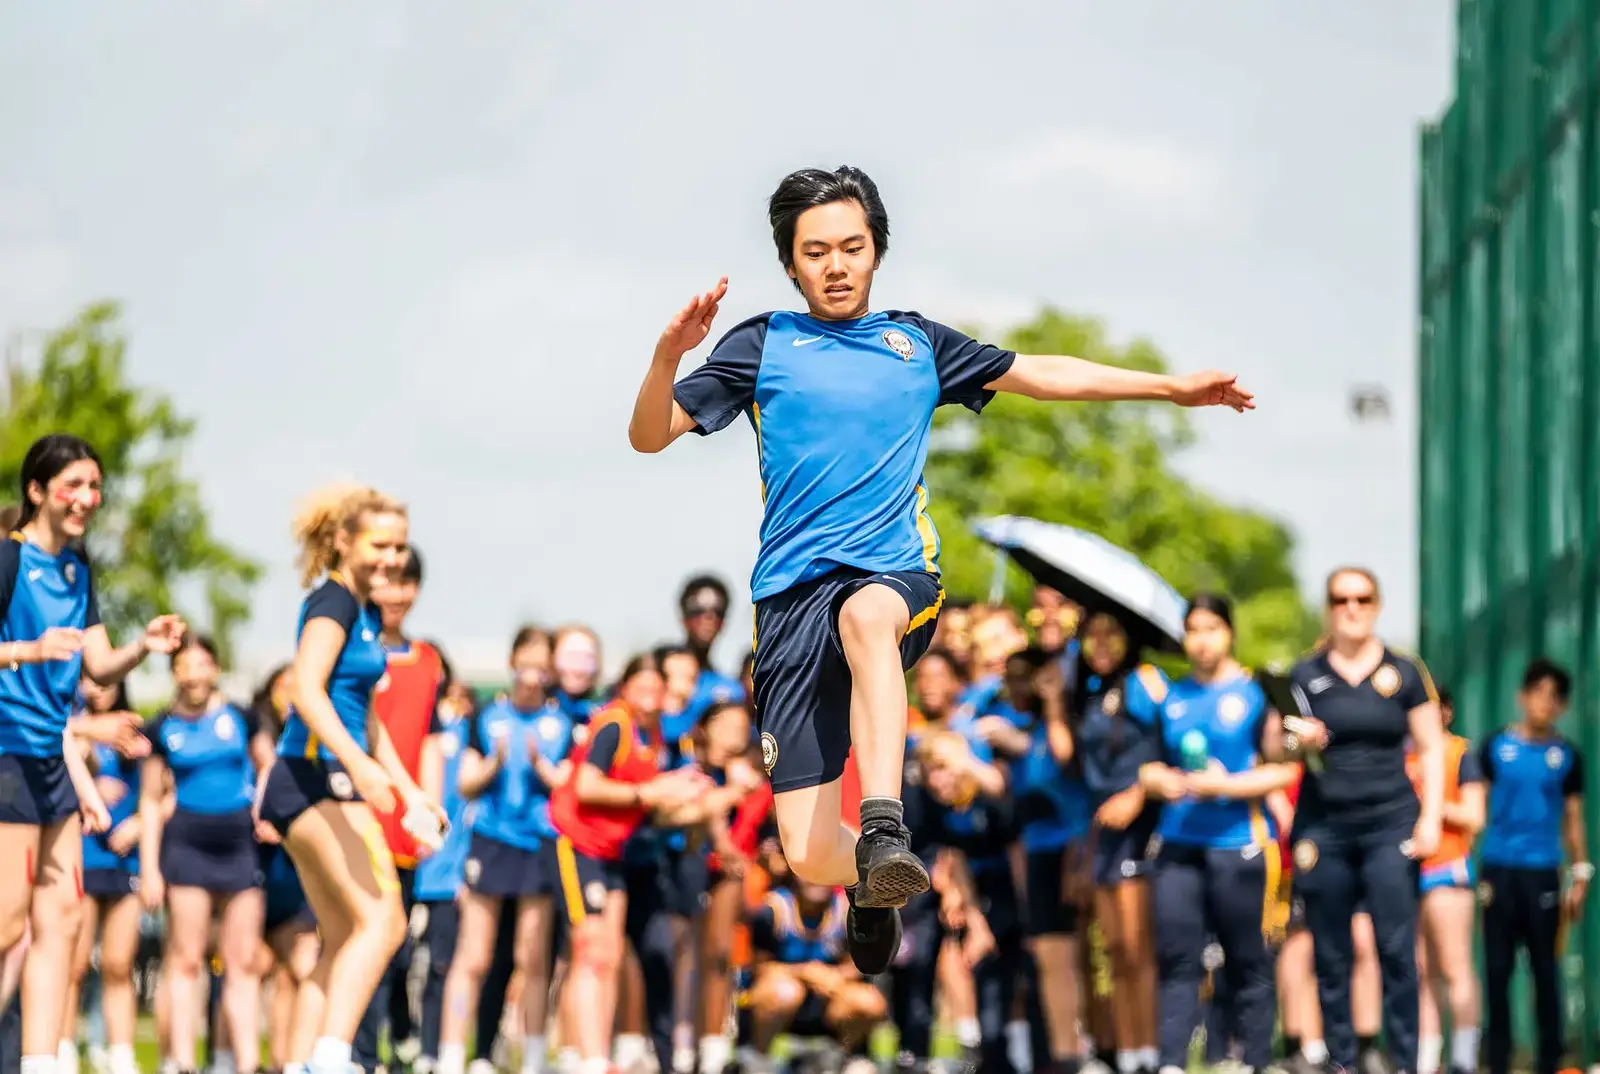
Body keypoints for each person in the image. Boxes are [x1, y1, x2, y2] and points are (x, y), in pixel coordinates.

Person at [627, 164, 1254, 973]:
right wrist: (664, 357)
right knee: (811, 853)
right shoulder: (762, 344)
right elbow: (649, 434)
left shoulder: (915, 343)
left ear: (877, 251)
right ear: (789, 262)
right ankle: (871, 878)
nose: (836, 265)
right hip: (787, 606)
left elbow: (1041, 374)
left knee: (864, 616)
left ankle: (887, 822)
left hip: (896, 578)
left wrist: (1170, 388)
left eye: (852, 247)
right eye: (816, 251)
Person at [0, 433, 186, 1074]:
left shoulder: (79, 568)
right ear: (36, 490)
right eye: (74, 484)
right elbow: (35, 651)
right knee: (5, 925)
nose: (88, 497)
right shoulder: (7, 559)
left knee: (62, 921)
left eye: (94, 485)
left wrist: (142, 646)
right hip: (7, 755)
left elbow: (97, 663)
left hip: (52, 760)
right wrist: (27, 651)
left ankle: (41, 1062)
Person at [255, 484, 444, 1074]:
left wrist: (410, 790)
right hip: (312, 778)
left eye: (400, 547)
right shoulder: (332, 602)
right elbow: (305, 691)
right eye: (380, 545)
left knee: (340, 940)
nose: (392, 558)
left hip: (323, 778)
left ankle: (301, 1062)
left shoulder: (361, 610)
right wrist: (357, 767)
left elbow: (369, 720)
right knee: (384, 922)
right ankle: (332, 1059)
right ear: (343, 542)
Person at [1286, 567, 1444, 1074]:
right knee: (1329, 954)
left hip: (1390, 824)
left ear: (1376, 604)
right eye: (1340, 599)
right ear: (1328, 608)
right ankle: (1342, 1062)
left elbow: (1431, 748)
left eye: (1361, 598)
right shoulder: (1304, 676)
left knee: (1396, 950)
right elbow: (1273, 745)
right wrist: (1297, 740)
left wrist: (1432, 818)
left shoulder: (1405, 672)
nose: (1351, 607)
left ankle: (1404, 1063)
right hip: (1323, 825)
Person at [1137, 594, 1295, 1074]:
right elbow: (1146, 766)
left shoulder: (1256, 692)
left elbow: (1283, 771)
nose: (1201, 640)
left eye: (1211, 628)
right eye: (1193, 630)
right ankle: (1171, 1063)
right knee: (1177, 960)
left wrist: (1225, 785)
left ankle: (1253, 1061)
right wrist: (1155, 779)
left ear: (1229, 632)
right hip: (1179, 846)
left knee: (1248, 960)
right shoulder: (1173, 696)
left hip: (1240, 845)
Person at [546, 654, 715, 1074]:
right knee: (588, 952)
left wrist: (693, 797)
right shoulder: (614, 724)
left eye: (657, 688)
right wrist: (652, 793)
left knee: (609, 956)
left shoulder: (651, 734)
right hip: (578, 845)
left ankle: (598, 1056)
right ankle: (585, 1058)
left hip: (611, 853)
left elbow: (651, 803)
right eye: (642, 686)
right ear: (625, 687)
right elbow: (587, 785)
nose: (651, 695)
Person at [437, 626, 568, 1074]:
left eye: (540, 665)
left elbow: (566, 786)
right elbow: (464, 783)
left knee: (532, 960)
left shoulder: (560, 722)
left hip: (537, 845)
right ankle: (452, 1056)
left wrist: (539, 766)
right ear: (512, 664)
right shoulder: (487, 717)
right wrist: (494, 761)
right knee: (473, 956)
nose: (531, 675)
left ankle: (533, 1060)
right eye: (525, 663)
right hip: (490, 843)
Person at [139, 634, 268, 1074]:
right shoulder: (160, 729)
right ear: (174, 672)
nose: (193, 674)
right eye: (184, 666)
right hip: (186, 847)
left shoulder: (242, 718)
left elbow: (268, 768)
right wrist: (150, 868)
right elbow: (150, 802)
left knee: (242, 962)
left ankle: (246, 1062)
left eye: (201, 665)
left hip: (239, 847)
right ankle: (181, 1061)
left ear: (214, 668)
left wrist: (266, 811)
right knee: (187, 958)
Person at [357, 546, 446, 1074]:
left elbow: (430, 738)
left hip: (405, 825)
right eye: (390, 581)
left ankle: (396, 1043)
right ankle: (360, 1054)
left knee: (398, 946)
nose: (398, 593)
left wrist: (428, 810)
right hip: (358, 815)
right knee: (367, 938)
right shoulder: (356, 650)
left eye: (408, 582)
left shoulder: (427, 660)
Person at [1478, 658, 1590, 1074]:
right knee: (1497, 969)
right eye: (1538, 693)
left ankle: (1548, 1061)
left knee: (1545, 969)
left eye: (1555, 696)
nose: (1545, 703)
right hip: (1499, 869)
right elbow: (1479, 807)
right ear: (1521, 696)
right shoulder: (1495, 748)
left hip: (1543, 871)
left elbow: (1573, 819)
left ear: (1563, 706)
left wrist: (1580, 872)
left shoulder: (1567, 757)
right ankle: (1499, 1060)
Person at [1068, 611, 1165, 1074]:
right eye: (1092, 636)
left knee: (1136, 946)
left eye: (1111, 634)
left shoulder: (1148, 683)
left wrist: (1138, 793)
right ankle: (1127, 1055)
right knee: (1115, 952)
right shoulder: (1087, 690)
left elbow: (1174, 744)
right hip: (1101, 833)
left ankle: (1150, 1053)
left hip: (1141, 829)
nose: (1101, 644)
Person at [65, 680, 146, 1074]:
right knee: (74, 964)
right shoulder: (72, 728)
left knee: (118, 964)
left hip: (125, 863)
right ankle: (61, 1051)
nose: (100, 689)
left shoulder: (137, 736)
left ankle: (121, 1057)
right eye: (91, 681)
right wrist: (89, 780)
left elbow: (160, 793)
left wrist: (139, 823)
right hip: (82, 858)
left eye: (106, 681)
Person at [1409, 688, 1485, 1074]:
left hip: (1448, 870)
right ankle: (1426, 1060)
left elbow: (1474, 816)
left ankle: (1464, 1058)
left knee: (1456, 967)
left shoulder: (1459, 752)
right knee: (1422, 972)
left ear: (1447, 712)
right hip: (1409, 874)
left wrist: (1432, 802)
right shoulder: (1402, 756)